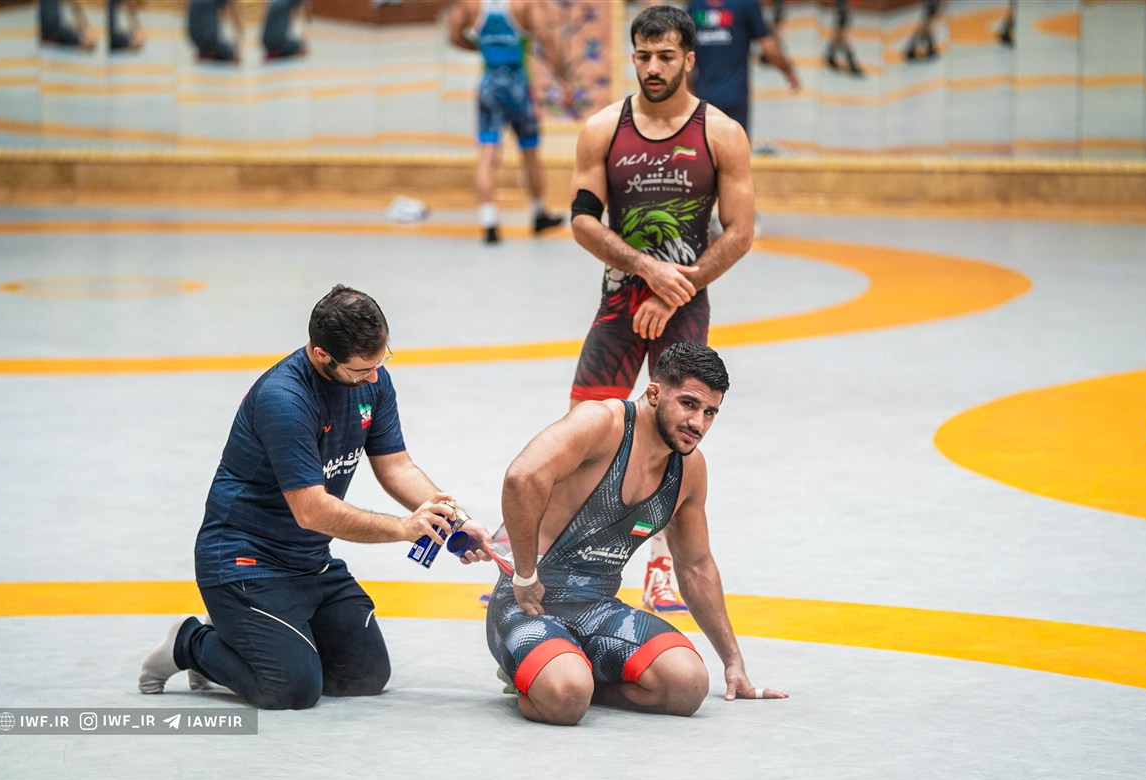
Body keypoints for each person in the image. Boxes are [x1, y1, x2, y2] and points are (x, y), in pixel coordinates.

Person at [139, 285, 491, 710]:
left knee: (364, 677)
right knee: (292, 690)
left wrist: (452, 517)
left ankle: (241, 633)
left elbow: (397, 466)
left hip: (309, 560)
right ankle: (191, 642)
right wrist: (403, 528)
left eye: (382, 361)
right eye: (361, 370)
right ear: (322, 354)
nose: (374, 377)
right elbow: (311, 510)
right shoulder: (284, 399)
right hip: (244, 558)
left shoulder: (373, 380)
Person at [486, 342, 787, 725]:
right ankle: (543, 680)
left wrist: (733, 660)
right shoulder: (601, 423)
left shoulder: (689, 470)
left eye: (710, 412)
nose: (698, 423)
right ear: (654, 393)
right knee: (566, 700)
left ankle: (573, 678)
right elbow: (522, 477)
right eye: (689, 404)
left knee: (688, 686)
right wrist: (525, 574)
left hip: (597, 607)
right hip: (528, 605)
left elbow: (695, 565)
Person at [567, 4, 754, 615]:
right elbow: (582, 220)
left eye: (666, 56)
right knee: (581, 428)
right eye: (643, 56)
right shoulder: (603, 128)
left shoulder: (720, 133)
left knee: (677, 431)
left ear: (688, 59)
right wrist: (649, 272)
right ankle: (548, 555)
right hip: (620, 300)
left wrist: (678, 286)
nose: (653, 67)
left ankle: (660, 572)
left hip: (685, 303)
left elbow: (740, 231)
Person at [447, 0, 571, 244]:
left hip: (489, 86)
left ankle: (489, 222)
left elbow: (453, 35)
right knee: (530, 151)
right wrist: (562, 79)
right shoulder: (524, 4)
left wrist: (481, 48)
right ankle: (539, 212)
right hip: (518, 88)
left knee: (488, 153)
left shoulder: (471, 5)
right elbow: (546, 39)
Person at [688, 0, 800, 140]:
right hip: (735, 98)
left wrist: (688, 90)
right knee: (736, 149)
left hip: (702, 98)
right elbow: (769, 48)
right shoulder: (746, 4)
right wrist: (789, 72)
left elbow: (686, 54)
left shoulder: (695, 6)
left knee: (705, 149)